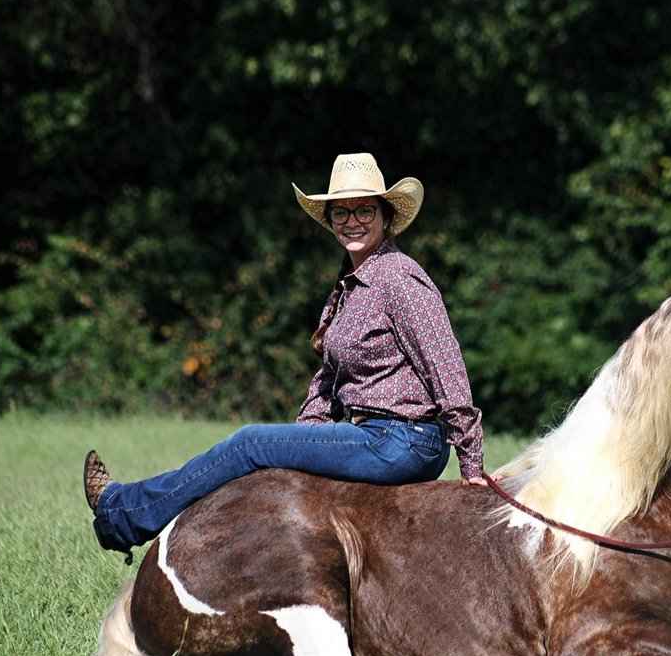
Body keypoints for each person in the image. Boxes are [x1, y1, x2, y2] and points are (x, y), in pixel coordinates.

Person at [83, 152, 485, 555]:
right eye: (340, 214)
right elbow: (329, 377)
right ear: (329, 223)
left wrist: (471, 465)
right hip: (372, 433)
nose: (352, 222)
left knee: (248, 443)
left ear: (385, 216)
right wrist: (302, 439)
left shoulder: (401, 278)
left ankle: (125, 512)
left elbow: (445, 367)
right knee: (267, 453)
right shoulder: (351, 285)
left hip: (405, 441)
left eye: (364, 210)